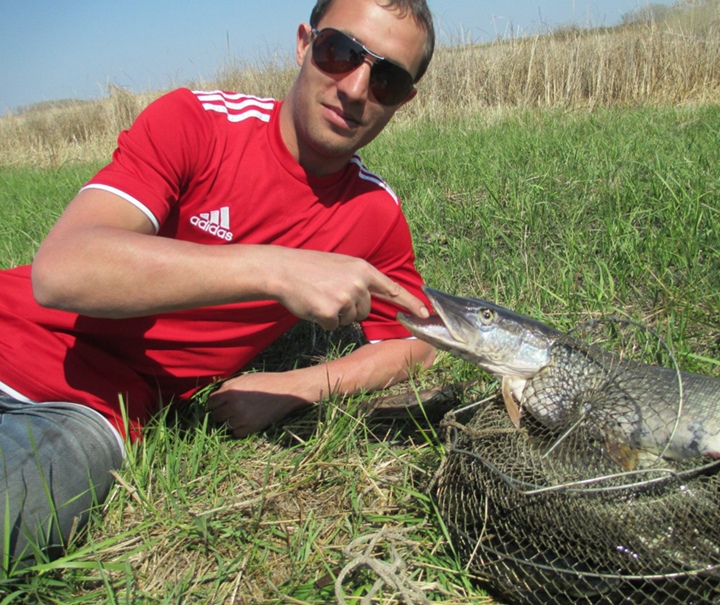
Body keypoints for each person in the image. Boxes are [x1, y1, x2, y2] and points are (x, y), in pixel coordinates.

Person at [0, 0, 436, 572]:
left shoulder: (372, 214)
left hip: (78, 410)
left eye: (387, 78)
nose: (355, 87)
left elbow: (420, 340)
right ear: (305, 44)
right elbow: (63, 270)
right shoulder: (197, 123)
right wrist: (277, 268)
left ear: (403, 99)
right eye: (341, 52)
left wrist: (300, 385)